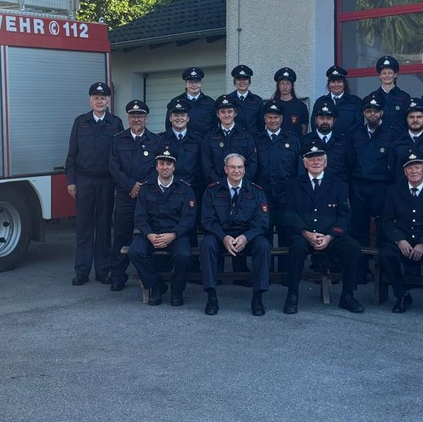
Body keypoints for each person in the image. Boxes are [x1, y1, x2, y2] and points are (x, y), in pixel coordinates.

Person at [280, 141, 365, 314]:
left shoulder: (339, 185)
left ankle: (347, 296)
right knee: (296, 248)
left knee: (352, 247)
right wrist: (306, 233)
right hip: (303, 234)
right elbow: (289, 214)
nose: (316, 162)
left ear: (326, 162)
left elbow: (344, 216)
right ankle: (292, 294)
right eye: (311, 160)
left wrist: (329, 236)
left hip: (330, 235)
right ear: (305, 163)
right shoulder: (293, 185)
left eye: (319, 159)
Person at [65, 82, 124, 285]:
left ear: (108, 101)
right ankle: (82, 271)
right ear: (90, 100)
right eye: (96, 97)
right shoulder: (80, 122)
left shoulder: (115, 123)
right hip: (84, 181)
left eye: (104, 98)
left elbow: (119, 156)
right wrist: (71, 181)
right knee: (84, 227)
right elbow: (72, 153)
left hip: (107, 181)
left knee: (104, 226)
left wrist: (118, 183)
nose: (100, 101)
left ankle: (102, 271)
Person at [198, 154, 271, 316]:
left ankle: (258, 297)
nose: (236, 171)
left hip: (247, 236)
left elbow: (262, 221)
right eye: (232, 167)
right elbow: (207, 219)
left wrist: (246, 237)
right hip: (220, 235)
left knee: (263, 245)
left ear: (244, 170)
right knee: (207, 244)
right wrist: (223, 237)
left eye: (240, 167)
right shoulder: (212, 190)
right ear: (225, 169)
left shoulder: (256, 191)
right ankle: (211, 296)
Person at [379, 153, 423, 318]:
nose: (414, 171)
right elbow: (387, 220)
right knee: (385, 255)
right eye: (410, 168)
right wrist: (399, 239)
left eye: (417, 167)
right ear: (405, 172)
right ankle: (402, 295)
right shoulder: (394, 191)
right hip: (402, 240)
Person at [107, 100, 165, 292]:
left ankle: (152, 272)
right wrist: (131, 185)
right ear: (128, 118)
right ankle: (117, 275)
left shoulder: (156, 141)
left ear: (146, 119)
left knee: (150, 233)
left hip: (148, 197)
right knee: (122, 235)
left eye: (140, 116)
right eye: (133, 116)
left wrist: (142, 187)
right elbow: (113, 167)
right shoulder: (118, 139)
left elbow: (158, 168)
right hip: (125, 195)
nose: (137, 119)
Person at [128, 147, 198, 307]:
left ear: (174, 166)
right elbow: (140, 217)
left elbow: (189, 218)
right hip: (151, 234)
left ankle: (177, 290)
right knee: (134, 252)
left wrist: (173, 234)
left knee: (185, 256)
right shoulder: (146, 188)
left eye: (168, 164)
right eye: (161, 163)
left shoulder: (185, 188)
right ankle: (156, 285)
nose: (164, 167)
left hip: (175, 235)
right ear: (156, 166)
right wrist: (149, 235)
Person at [347, 93, 395, 268]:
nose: (372, 114)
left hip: (381, 186)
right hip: (359, 185)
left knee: (383, 227)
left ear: (381, 113)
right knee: (359, 227)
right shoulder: (355, 134)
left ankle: (382, 268)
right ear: (363, 113)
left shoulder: (391, 134)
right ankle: (361, 268)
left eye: (375, 111)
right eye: (369, 111)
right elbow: (350, 160)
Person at [253, 101, 304, 234]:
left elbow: (299, 170)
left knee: (288, 237)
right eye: (269, 117)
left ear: (281, 119)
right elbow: (252, 169)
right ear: (264, 118)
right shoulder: (257, 140)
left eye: (276, 117)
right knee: (264, 237)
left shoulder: (293, 140)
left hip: (287, 198)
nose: (273, 121)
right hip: (264, 197)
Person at [201, 95, 259, 185]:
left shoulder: (246, 136)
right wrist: (220, 183)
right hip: (216, 188)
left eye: (230, 111)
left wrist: (239, 182)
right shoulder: (209, 137)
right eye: (223, 112)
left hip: (242, 187)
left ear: (235, 113)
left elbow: (252, 163)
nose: (227, 115)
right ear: (217, 114)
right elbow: (206, 165)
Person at [301, 99, 353, 186]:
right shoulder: (305, 141)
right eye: (321, 118)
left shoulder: (344, 142)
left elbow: (350, 168)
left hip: (336, 190)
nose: (325, 121)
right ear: (315, 120)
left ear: (334, 121)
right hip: (311, 191)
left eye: (328, 118)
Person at [161, 99, 204, 202]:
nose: (179, 118)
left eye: (182, 115)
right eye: (176, 115)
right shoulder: (161, 139)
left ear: (188, 118)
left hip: (192, 190)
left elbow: (202, 167)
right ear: (170, 118)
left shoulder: (199, 140)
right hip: (167, 191)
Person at [311, 65, 362, 137]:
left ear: (344, 83)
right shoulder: (320, 102)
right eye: (333, 82)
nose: (336, 85)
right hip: (326, 143)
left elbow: (358, 124)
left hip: (349, 144)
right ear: (328, 84)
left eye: (339, 81)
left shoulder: (355, 101)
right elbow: (314, 124)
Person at [164, 67, 216, 135]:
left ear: (201, 83)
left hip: (205, 143)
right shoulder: (176, 102)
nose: (194, 85)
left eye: (197, 82)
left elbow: (215, 125)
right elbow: (168, 126)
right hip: (184, 143)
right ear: (186, 84)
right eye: (190, 82)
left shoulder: (210, 103)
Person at [373, 56, 412, 133]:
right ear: (380, 76)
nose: (387, 76)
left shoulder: (404, 97)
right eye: (384, 73)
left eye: (390, 73)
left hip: (399, 139)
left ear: (395, 75)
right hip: (379, 139)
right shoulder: (373, 97)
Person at [270, 67, 310, 138]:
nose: (285, 87)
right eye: (282, 83)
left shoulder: (301, 106)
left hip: (295, 145)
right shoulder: (271, 105)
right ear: (278, 86)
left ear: (292, 86)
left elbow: (304, 129)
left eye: (288, 83)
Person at [228, 64, 264, 135]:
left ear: (249, 81)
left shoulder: (257, 100)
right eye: (239, 79)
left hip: (252, 141)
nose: (242, 82)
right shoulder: (229, 99)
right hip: (233, 141)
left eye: (245, 79)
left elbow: (261, 124)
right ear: (235, 82)